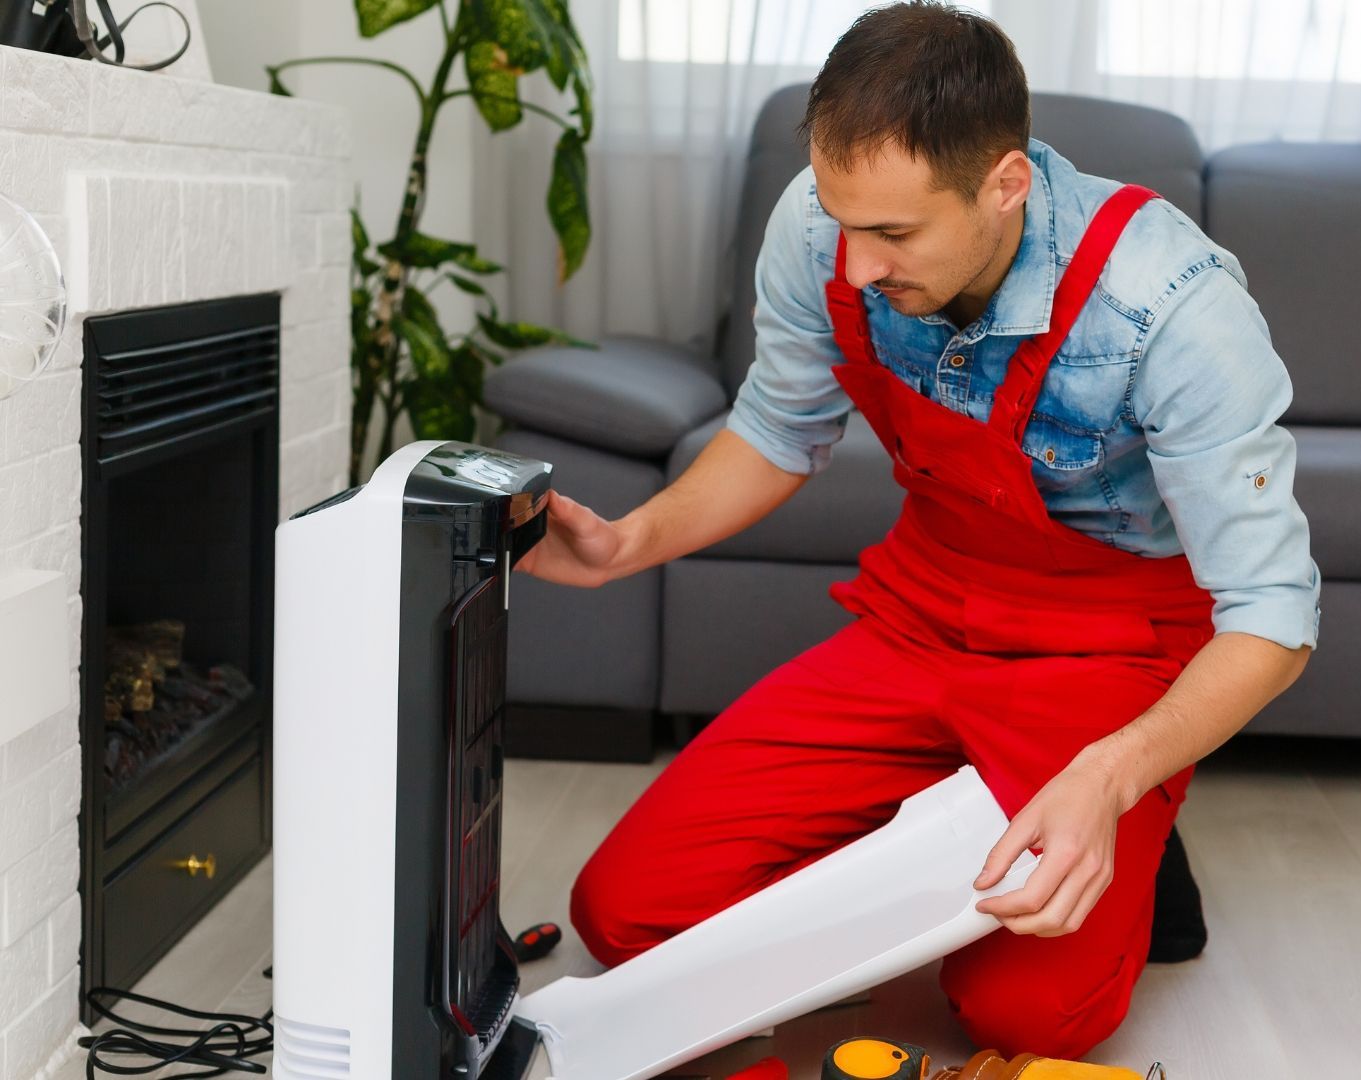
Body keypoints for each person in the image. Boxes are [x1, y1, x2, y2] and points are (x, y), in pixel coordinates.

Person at [518, 0, 1320, 1058]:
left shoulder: (1170, 308)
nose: (853, 266)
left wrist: (1111, 773)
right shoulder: (823, 223)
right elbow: (775, 425)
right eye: (845, 223)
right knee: (627, 916)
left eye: (894, 234)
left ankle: (1127, 815)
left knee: (1023, 1015)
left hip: (1110, 655)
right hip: (921, 616)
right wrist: (631, 542)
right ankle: (943, 815)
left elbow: (1273, 616)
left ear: (1005, 184)